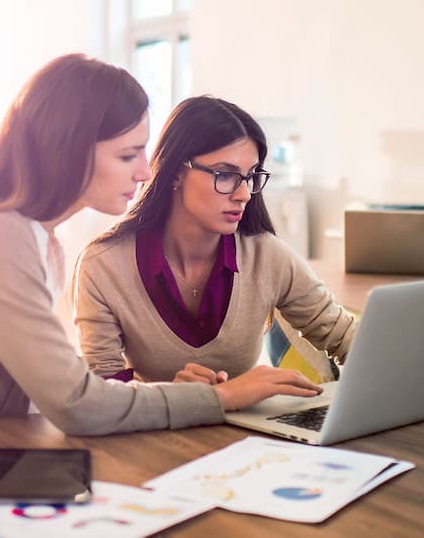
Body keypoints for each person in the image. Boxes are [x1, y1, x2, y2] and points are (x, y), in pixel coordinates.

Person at [0, 54, 322, 436]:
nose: (146, 172)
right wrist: (220, 398)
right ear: (67, 150)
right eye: (128, 155)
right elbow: (77, 403)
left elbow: (63, 386)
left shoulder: (35, 237)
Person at [74, 96, 356, 385]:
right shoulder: (103, 265)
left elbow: (348, 340)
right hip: (153, 430)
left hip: (246, 429)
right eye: (225, 174)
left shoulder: (268, 256)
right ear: (174, 172)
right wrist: (176, 396)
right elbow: (102, 388)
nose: (244, 193)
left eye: (250, 176)